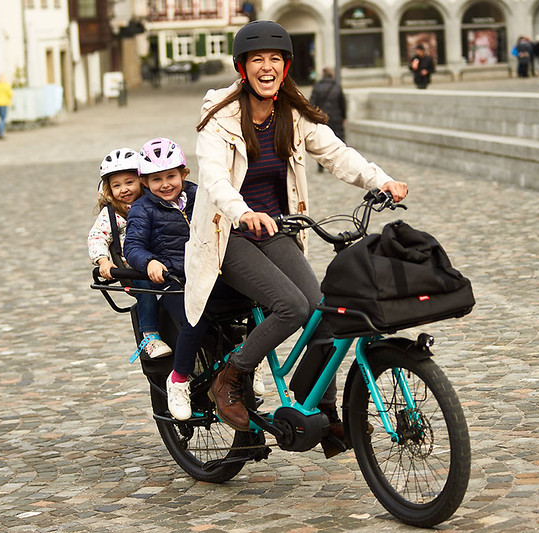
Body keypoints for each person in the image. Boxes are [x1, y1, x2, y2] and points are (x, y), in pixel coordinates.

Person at [185, 20, 407, 457]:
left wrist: (381, 180)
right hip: (228, 234)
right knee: (292, 306)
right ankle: (230, 376)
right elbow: (213, 177)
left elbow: (336, 153)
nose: (266, 67)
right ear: (242, 67)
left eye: (275, 59)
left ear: (286, 66)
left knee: (323, 312)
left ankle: (321, 410)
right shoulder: (220, 118)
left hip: (275, 229)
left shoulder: (291, 112)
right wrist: (243, 212)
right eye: (257, 60)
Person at [123, 138, 206, 422]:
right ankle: (178, 380)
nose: (165, 184)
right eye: (156, 179)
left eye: (171, 176)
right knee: (196, 320)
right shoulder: (142, 208)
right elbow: (132, 247)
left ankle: (244, 366)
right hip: (173, 281)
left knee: (252, 306)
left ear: (184, 173)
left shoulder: (199, 196)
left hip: (208, 273)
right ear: (145, 182)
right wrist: (150, 262)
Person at [88, 148, 172, 361]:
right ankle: (150, 336)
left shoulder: (154, 203)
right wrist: (103, 261)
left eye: (129, 182)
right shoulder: (112, 214)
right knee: (144, 289)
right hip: (135, 270)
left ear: (142, 181)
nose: (124, 189)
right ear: (108, 189)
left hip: (165, 262)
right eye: (116, 185)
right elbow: (97, 237)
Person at [309, 67, 346, 172]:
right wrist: (343, 117)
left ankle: (321, 165)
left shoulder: (317, 86)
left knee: (320, 141)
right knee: (337, 140)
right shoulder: (336, 86)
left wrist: (314, 116)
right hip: (336, 117)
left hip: (322, 118)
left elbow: (312, 103)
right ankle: (337, 165)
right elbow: (342, 104)